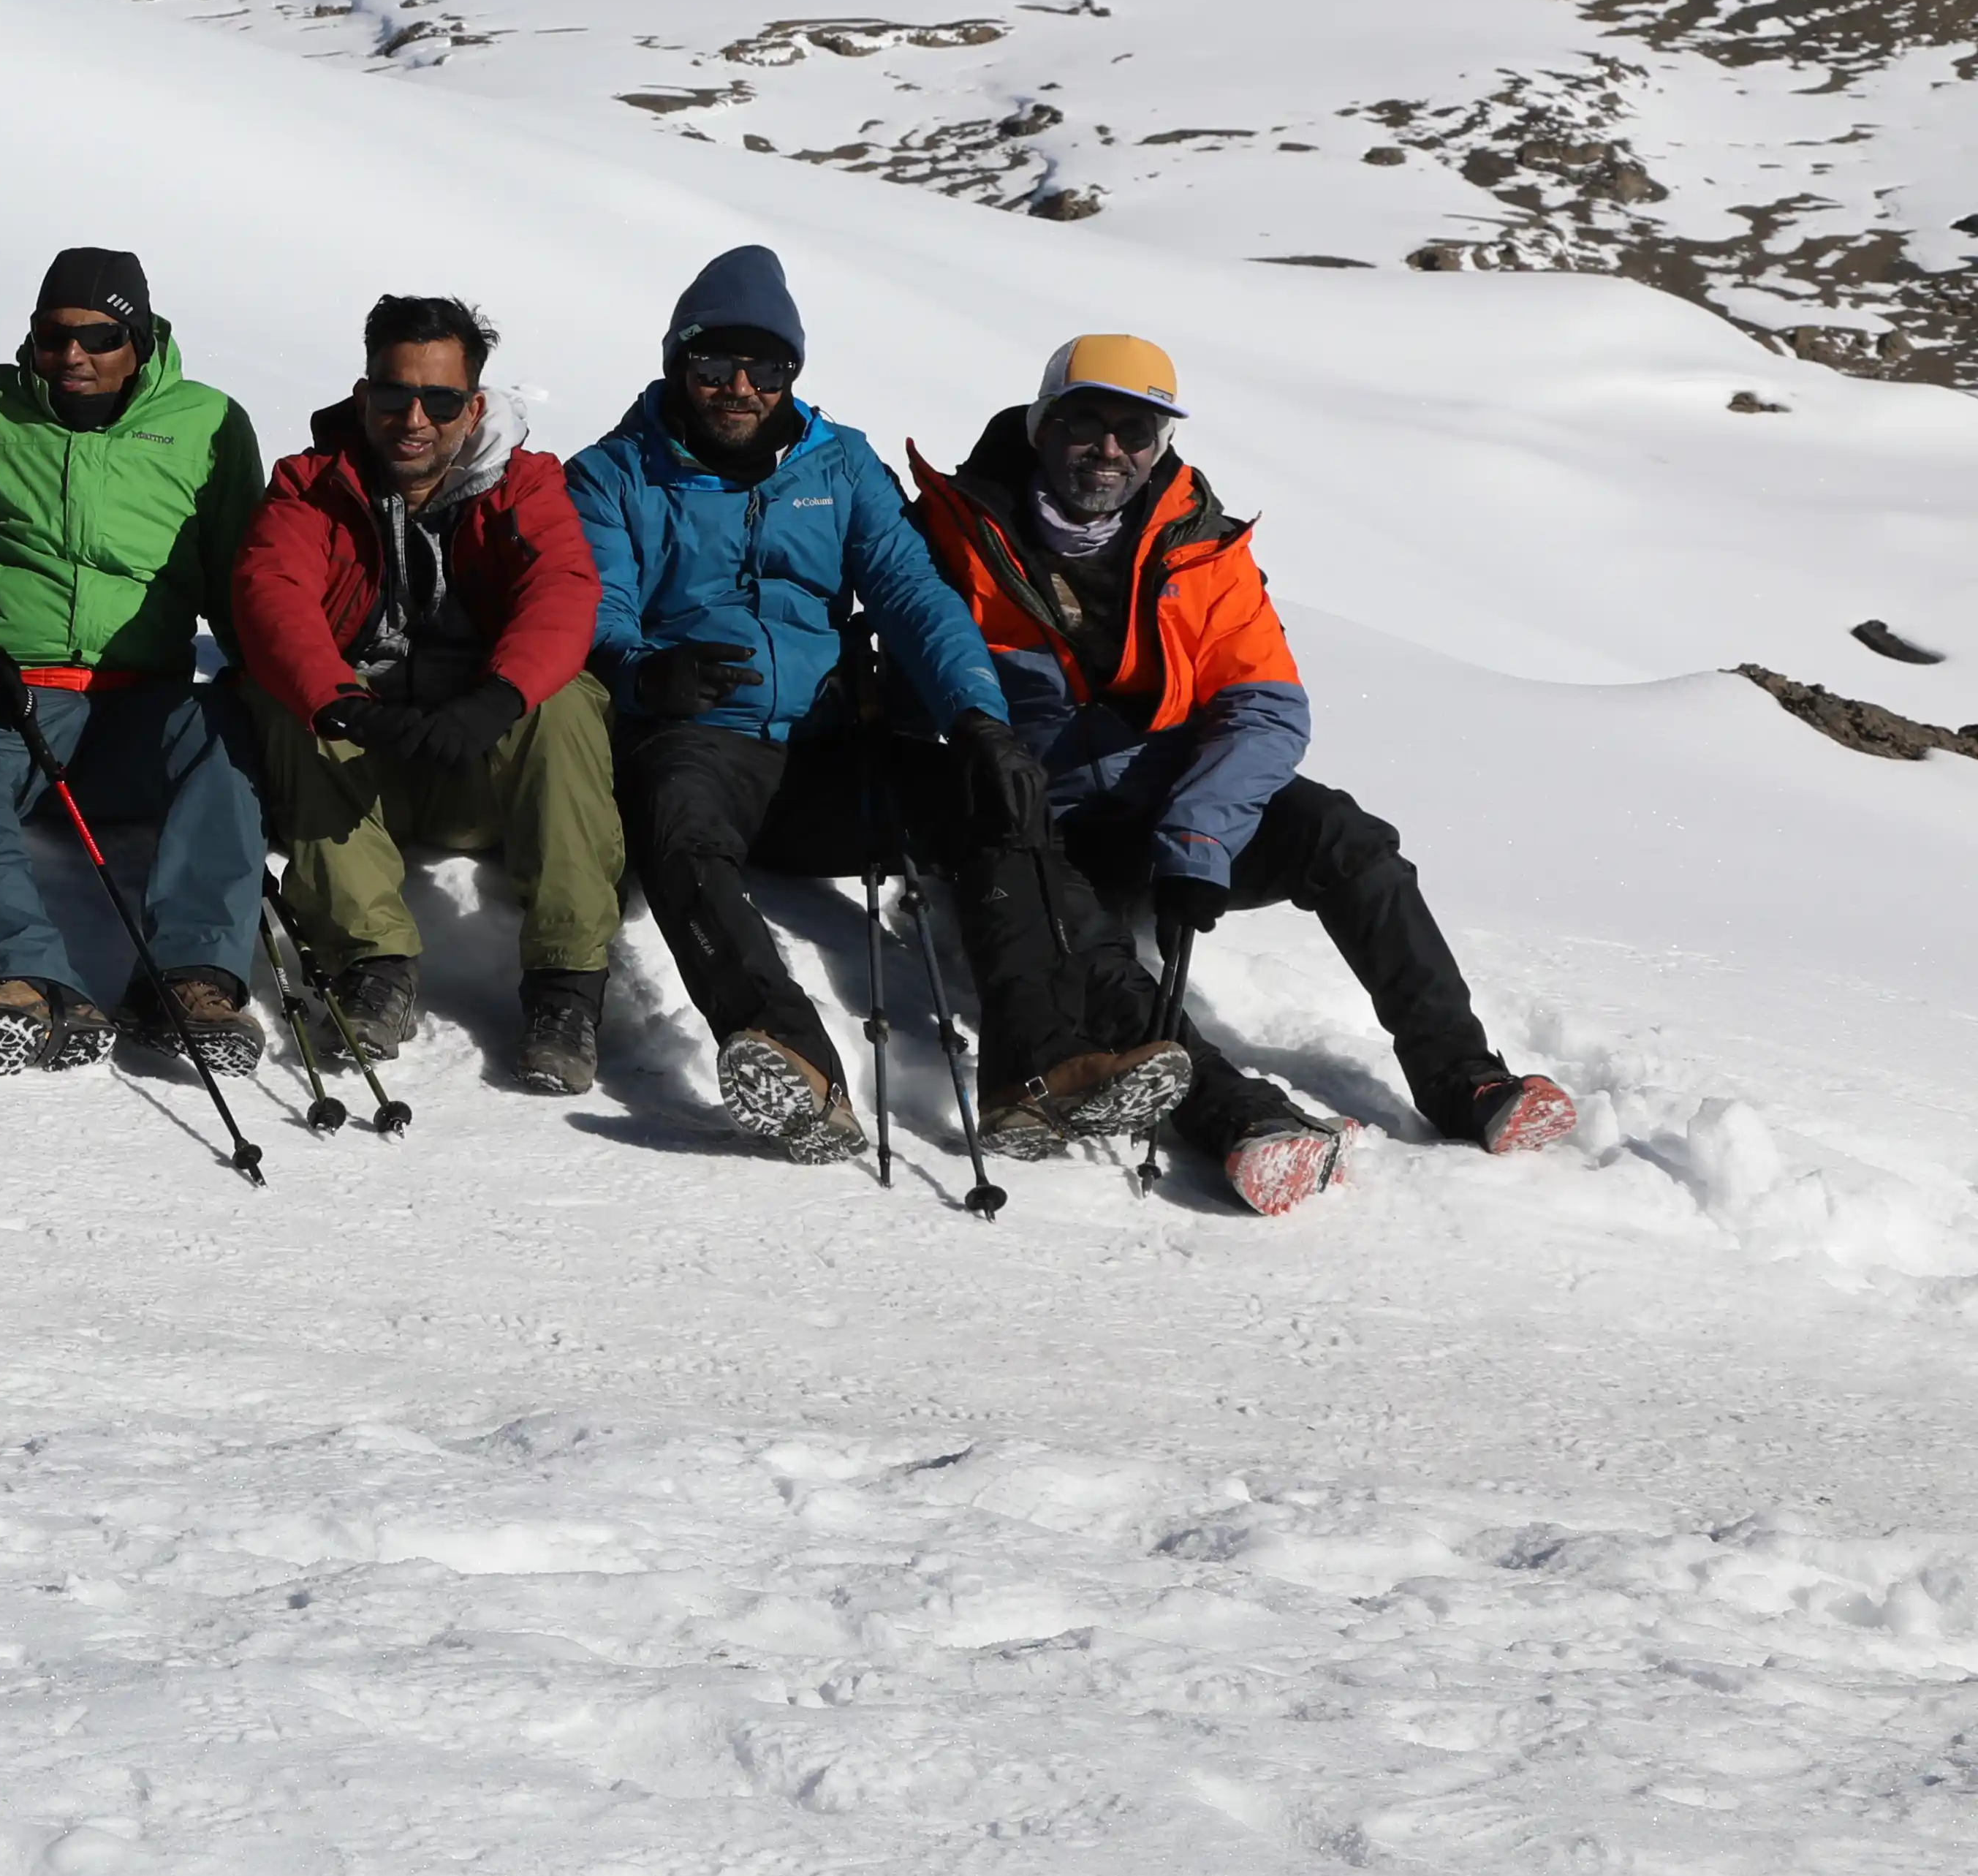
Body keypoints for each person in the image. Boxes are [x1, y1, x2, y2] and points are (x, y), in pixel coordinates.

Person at [909, 334, 1580, 1213]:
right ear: (1042, 424)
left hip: (1172, 803)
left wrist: (1199, 835)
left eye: (1136, 428)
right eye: (1085, 422)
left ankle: (1465, 1079)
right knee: (1099, 961)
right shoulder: (956, 535)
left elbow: (1265, 705)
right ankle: (1238, 1118)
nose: (1109, 448)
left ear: (1162, 444)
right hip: (1037, 820)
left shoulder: (1202, 548)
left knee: (1347, 840)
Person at [571, 244, 1068, 1165]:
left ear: (791, 371)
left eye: (765, 366)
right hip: (699, 742)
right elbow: (596, 609)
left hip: (831, 751)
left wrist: (977, 718)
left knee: (993, 803)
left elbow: (914, 596)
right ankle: (794, 1062)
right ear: (678, 363)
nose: (739, 386)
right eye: (714, 364)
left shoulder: (840, 465)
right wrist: (645, 673)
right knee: (675, 827)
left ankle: (1032, 1072)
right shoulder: (614, 474)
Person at [0, 249, 266, 1073]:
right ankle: (21, 980)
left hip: (143, 704)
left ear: (138, 336)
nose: (70, 355)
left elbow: (237, 578)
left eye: (97, 337)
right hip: (5, 692)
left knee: (224, 734)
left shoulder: (209, 422)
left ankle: (191, 978)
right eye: (50, 336)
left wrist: (270, 682)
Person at [235, 295, 618, 1093]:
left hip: (477, 762)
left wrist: (497, 699)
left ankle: (566, 986)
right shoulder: (311, 487)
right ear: (363, 392)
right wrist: (340, 700)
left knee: (566, 700)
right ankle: (372, 963)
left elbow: (563, 591)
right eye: (393, 393)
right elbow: (271, 592)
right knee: (281, 696)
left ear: (473, 405)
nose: (414, 417)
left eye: (440, 400)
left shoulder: (523, 488)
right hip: (362, 762)